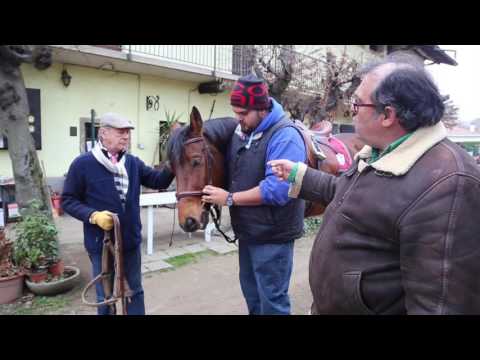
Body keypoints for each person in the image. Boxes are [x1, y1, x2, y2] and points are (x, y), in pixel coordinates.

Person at [268, 56, 480, 314]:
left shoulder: (449, 186)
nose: (351, 111)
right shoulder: (383, 152)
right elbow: (354, 198)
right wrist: (301, 175)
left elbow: (440, 305)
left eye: (357, 103)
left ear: (388, 115)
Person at [201, 74, 307, 315]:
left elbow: (278, 190)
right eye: (236, 112)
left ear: (262, 108)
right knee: (253, 297)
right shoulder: (243, 131)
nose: (238, 119)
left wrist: (229, 198)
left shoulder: (285, 136)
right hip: (249, 233)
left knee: (272, 301)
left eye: (243, 113)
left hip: (273, 236)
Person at [62, 113, 174, 315]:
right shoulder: (82, 164)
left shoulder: (132, 162)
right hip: (100, 244)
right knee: (105, 297)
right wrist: (93, 215)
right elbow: (68, 200)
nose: (126, 137)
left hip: (129, 241)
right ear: (103, 133)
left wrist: (174, 160)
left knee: (135, 292)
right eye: (121, 132)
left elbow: (159, 181)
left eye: (128, 133)